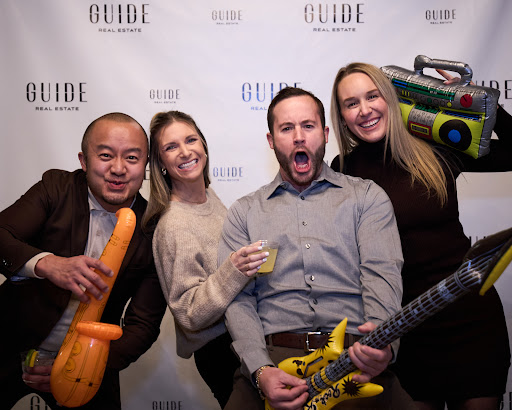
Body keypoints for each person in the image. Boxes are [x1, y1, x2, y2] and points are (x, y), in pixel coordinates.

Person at [218, 87, 416, 409]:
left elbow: (382, 277)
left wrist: (382, 345)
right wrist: (260, 370)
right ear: (271, 140)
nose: (299, 137)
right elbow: (238, 301)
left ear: (324, 135)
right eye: (286, 128)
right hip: (274, 359)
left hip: (354, 356)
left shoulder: (367, 198)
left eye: (308, 126)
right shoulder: (244, 213)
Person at [330, 62, 512, 410]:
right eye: (351, 103)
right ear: (341, 116)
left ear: (391, 98)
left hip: (470, 319)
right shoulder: (343, 170)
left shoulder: (435, 146)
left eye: (373, 96)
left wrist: (483, 104)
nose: (365, 110)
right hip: (404, 330)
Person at [0, 112, 167, 410]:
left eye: (131, 158)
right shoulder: (55, 187)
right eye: (105, 155)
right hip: (8, 342)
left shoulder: (154, 228)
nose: (118, 169)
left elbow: (143, 324)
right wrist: (48, 264)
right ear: (84, 160)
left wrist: (83, 367)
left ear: (145, 165)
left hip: (89, 367)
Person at [142, 111, 268, 408]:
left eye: (190, 140)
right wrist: (235, 269)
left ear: (204, 145)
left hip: (242, 336)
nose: (185, 152)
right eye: (171, 147)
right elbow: (188, 313)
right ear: (160, 163)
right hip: (220, 351)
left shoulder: (209, 198)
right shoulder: (173, 224)